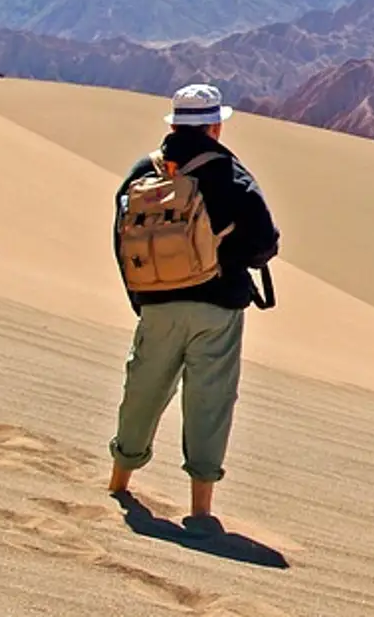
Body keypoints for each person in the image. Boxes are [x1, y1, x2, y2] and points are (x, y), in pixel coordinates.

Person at [106, 83, 279, 521]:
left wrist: (143, 296)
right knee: (209, 400)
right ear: (214, 127)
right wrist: (225, 259)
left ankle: (119, 482)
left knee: (143, 390)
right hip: (216, 310)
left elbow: (121, 239)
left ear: (175, 124)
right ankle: (200, 510)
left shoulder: (144, 171)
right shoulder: (231, 176)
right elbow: (264, 243)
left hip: (156, 304)